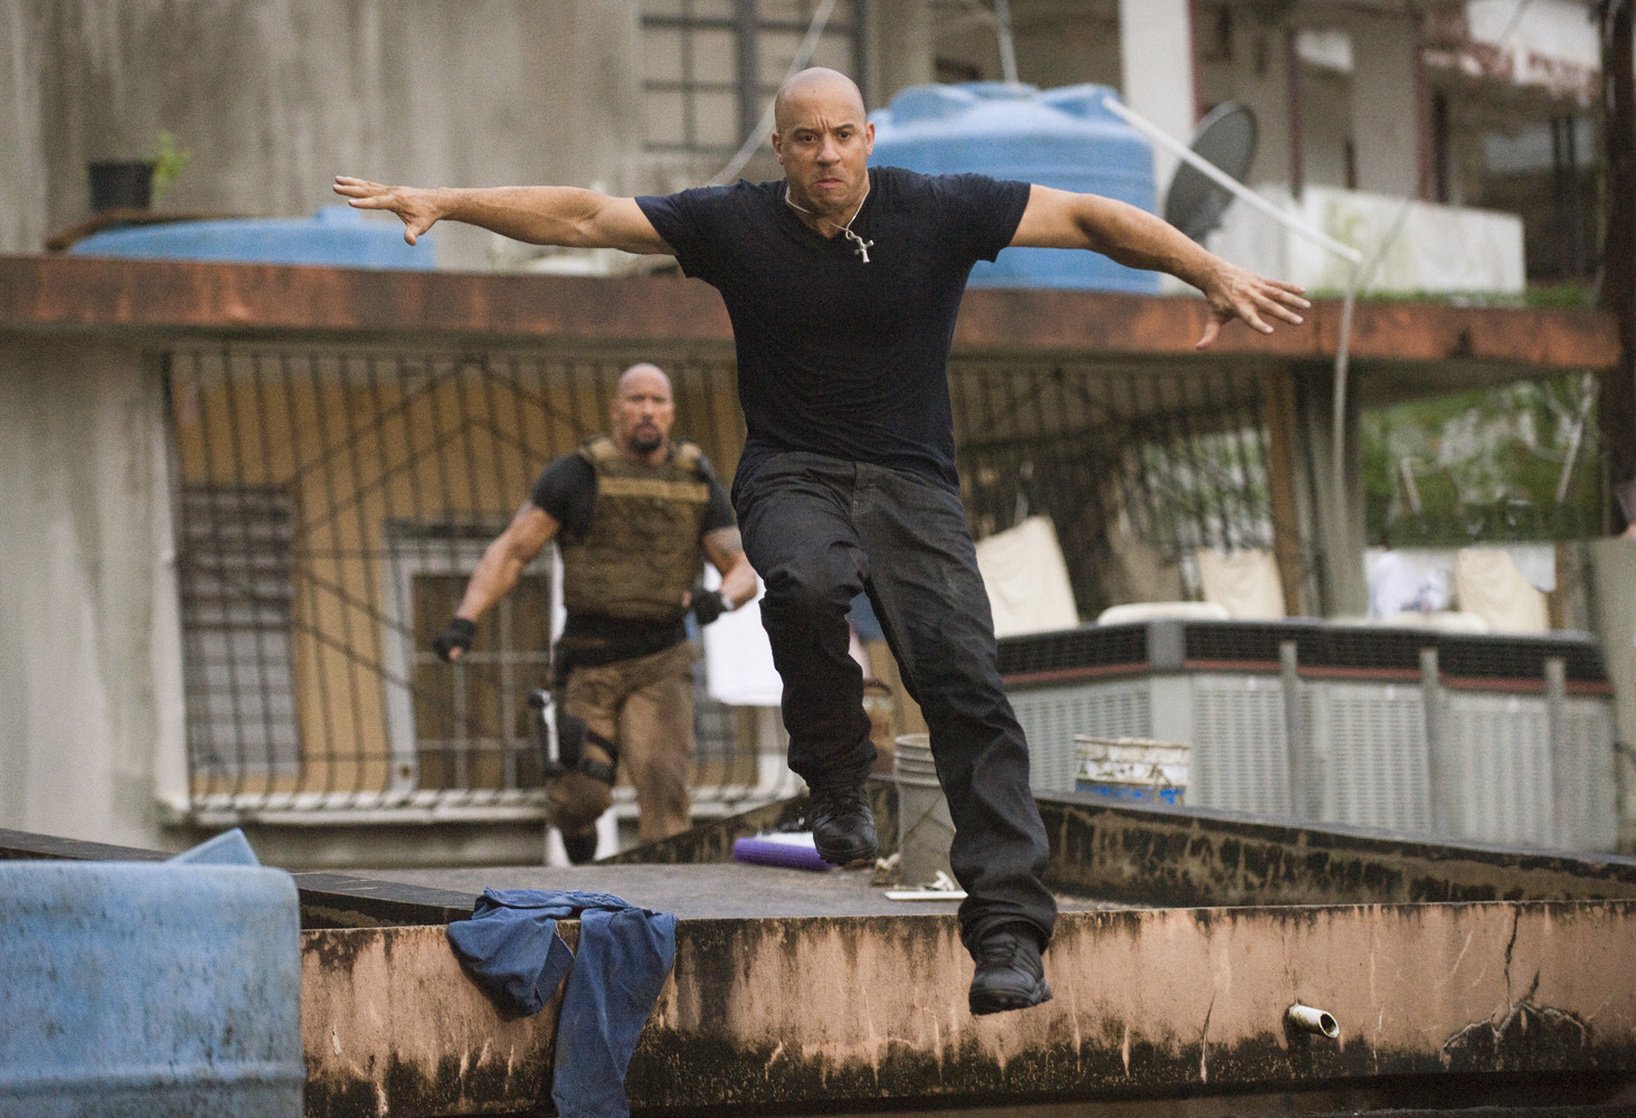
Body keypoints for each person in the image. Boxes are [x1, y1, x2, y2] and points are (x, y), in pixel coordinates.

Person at [336, 66, 1308, 1015]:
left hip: (913, 483)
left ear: (868, 139)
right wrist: (450, 201)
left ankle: (1009, 930)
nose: (827, 154)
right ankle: (838, 778)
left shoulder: (939, 208)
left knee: (964, 682)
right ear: (780, 148)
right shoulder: (734, 223)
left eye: (843, 135)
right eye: (806, 139)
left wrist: (1209, 269)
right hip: (791, 468)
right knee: (801, 586)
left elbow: (1092, 219)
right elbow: (587, 217)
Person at [428, 363, 757, 864]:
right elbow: (513, 551)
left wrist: (719, 599)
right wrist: (465, 620)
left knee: (664, 785)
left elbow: (742, 568)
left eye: (658, 401)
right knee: (580, 797)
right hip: (588, 665)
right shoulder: (576, 476)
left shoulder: (696, 481)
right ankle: (576, 831)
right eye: (636, 399)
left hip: (661, 662)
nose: (647, 410)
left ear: (671, 412)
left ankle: (668, 897)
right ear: (615, 409)